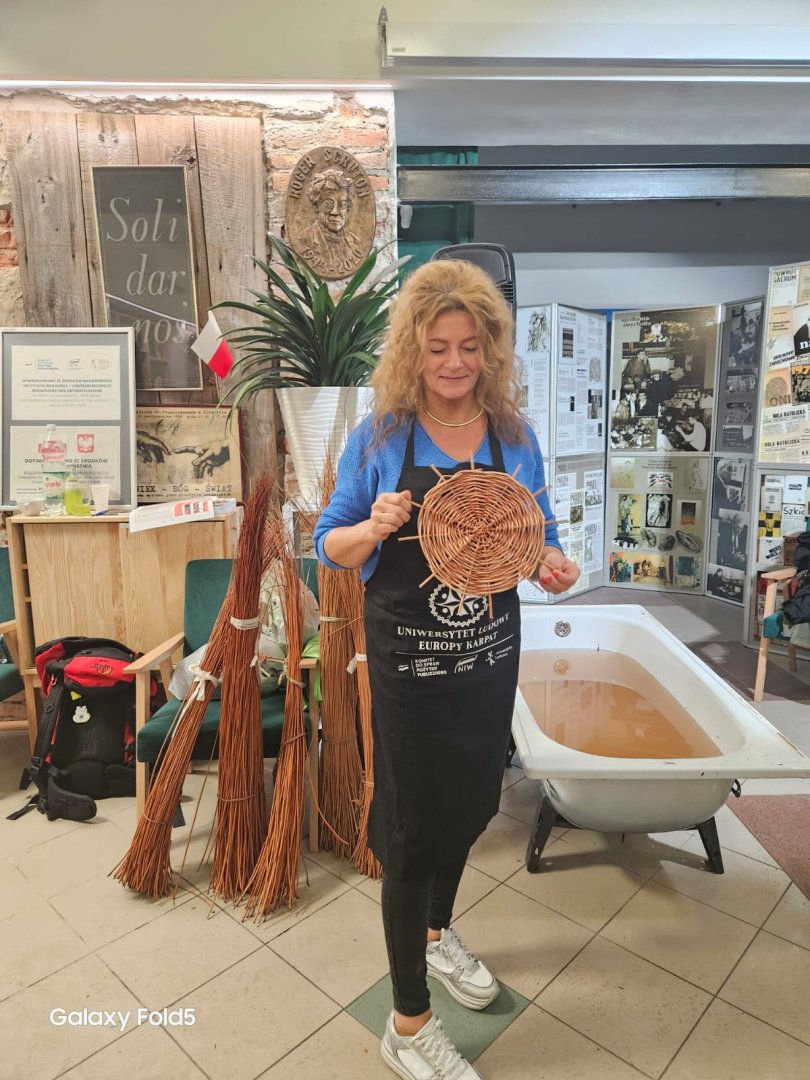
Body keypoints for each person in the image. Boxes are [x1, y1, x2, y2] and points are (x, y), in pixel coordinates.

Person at [314, 260, 579, 1080]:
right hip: (409, 672)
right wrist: (374, 525)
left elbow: (536, 536)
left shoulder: (514, 438)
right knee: (410, 832)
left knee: (468, 809)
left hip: (487, 660)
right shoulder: (381, 439)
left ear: (491, 349)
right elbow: (328, 544)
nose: (455, 363)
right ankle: (408, 1021)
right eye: (437, 348)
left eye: (469, 346)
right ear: (413, 351)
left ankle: (434, 933)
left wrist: (551, 564)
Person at [299, 168, 365, 277]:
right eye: (328, 204)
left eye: (342, 205)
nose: (335, 212)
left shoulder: (355, 242)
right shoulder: (304, 239)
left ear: (348, 209)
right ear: (316, 205)